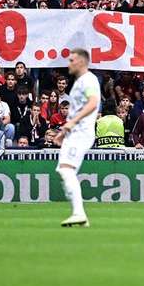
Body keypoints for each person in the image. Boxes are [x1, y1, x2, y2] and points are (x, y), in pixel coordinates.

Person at [53, 48, 101, 228]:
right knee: (63, 170)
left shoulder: (88, 80)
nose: (68, 63)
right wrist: (64, 132)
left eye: (71, 60)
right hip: (74, 132)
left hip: (81, 132)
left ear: (81, 61)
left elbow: (93, 102)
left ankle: (78, 213)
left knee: (66, 170)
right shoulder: (80, 81)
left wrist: (72, 123)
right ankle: (80, 215)